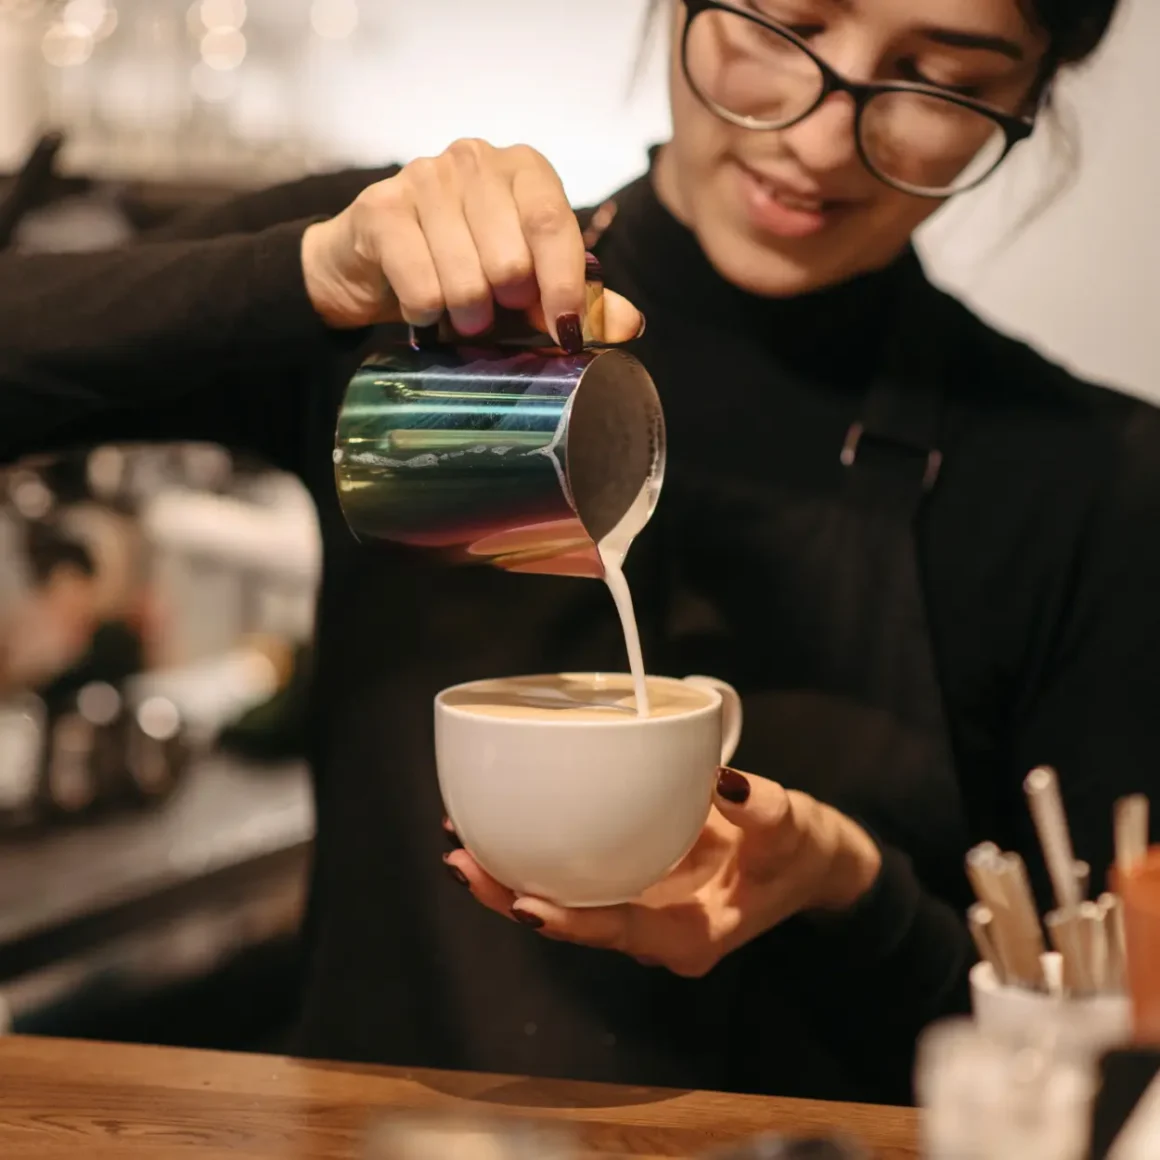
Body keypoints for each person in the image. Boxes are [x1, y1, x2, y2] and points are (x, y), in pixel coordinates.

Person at [3, 0, 1150, 1103]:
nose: (819, 138)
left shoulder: (1081, 473)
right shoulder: (415, 310)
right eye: (786, 26)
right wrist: (302, 273)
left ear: (1028, 99)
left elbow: (1109, 1053)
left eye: (939, 80)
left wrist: (854, 888)